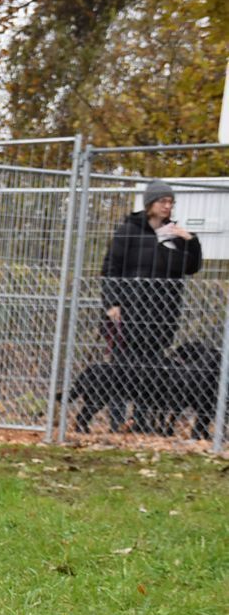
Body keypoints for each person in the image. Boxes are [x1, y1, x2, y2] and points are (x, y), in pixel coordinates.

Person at [101, 179, 202, 432]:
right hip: (131, 309)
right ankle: (117, 421)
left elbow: (192, 267)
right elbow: (111, 268)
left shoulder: (175, 235)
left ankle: (141, 422)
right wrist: (112, 303)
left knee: (152, 371)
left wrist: (190, 240)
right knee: (123, 368)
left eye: (171, 202)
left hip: (163, 312)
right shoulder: (129, 230)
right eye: (163, 201)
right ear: (150, 204)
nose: (168, 206)